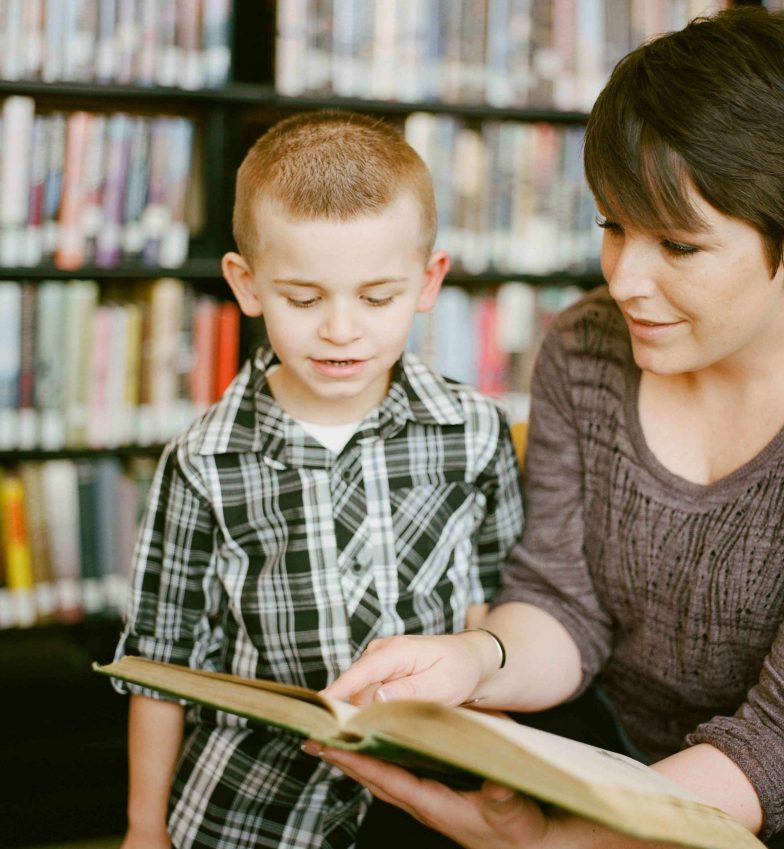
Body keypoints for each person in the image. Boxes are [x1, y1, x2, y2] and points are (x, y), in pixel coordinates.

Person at [308, 8, 784, 849]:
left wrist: (556, 840)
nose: (626, 278)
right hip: (620, 728)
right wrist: (474, 660)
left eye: (678, 245)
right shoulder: (584, 347)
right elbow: (564, 607)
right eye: (613, 226)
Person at [111, 110, 524, 849]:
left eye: (376, 297)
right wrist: (145, 828)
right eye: (304, 298)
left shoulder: (474, 432)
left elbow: (494, 612)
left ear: (429, 281)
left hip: (429, 797)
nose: (341, 329)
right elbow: (158, 664)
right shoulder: (203, 461)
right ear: (247, 284)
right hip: (251, 807)